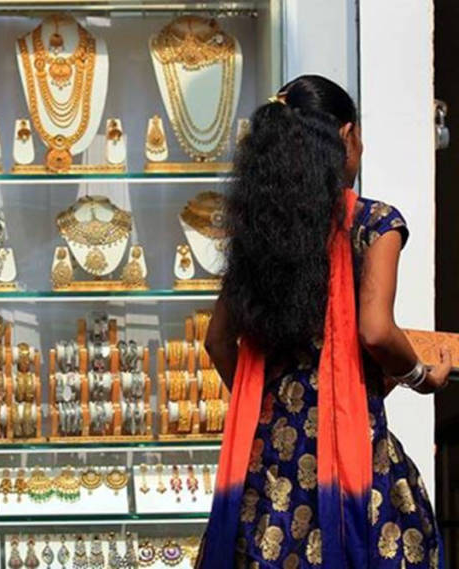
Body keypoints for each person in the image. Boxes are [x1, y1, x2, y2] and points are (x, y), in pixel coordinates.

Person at [197, 75, 449, 568]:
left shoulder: (257, 232)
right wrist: (421, 376)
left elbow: (218, 341)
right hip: (352, 455)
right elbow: (375, 332)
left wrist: (267, 404)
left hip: (269, 466)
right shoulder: (374, 223)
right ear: (347, 136)